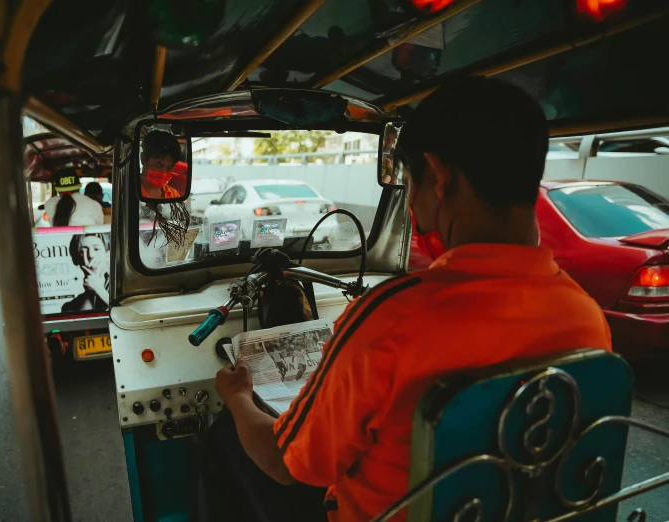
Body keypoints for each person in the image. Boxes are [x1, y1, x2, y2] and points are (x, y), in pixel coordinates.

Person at [207, 77, 612, 522]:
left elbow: (286, 463)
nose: (413, 202)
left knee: (231, 431)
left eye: (411, 183)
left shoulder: (391, 321)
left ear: (439, 176)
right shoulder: (586, 318)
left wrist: (239, 396)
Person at [62, 233, 110, 312]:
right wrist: (91, 291)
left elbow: (127, 314)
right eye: (82, 251)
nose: (91, 255)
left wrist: (98, 289)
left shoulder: (124, 286)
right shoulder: (70, 307)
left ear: (109, 255)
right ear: (76, 259)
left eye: (96, 249)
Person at [140, 130, 183, 199]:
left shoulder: (173, 194)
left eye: (169, 168)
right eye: (159, 165)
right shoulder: (127, 190)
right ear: (143, 159)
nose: (164, 172)